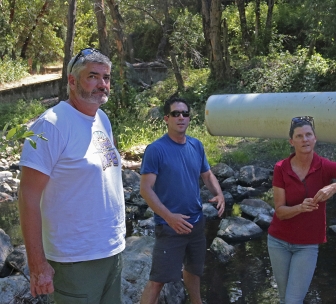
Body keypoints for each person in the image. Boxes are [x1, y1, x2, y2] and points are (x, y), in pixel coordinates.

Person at [17, 48, 125, 303]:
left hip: (112, 251)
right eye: (93, 76)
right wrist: (37, 265)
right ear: (72, 81)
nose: (102, 84)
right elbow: (28, 195)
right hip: (74, 260)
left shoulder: (102, 119)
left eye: (106, 77)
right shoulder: (52, 124)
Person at [267, 116, 336, 304]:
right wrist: (300, 208)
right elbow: (280, 211)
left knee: (292, 301)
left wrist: (334, 187)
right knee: (285, 299)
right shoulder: (281, 168)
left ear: (315, 138)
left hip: (307, 245)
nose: (305, 139)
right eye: (299, 136)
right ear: (292, 142)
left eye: (308, 135)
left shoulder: (324, 166)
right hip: (278, 241)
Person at [139, 97, 225, 304]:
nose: (181, 117)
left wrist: (219, 193)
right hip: (170, 227)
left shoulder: (196, 145)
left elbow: (207, 175)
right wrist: (169, 217)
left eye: (185, 113)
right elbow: (145, 189)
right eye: (176, 114)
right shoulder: (156, 150)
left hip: (196, 223)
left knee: (194, 272)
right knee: (157, 281)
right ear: (166, 119)